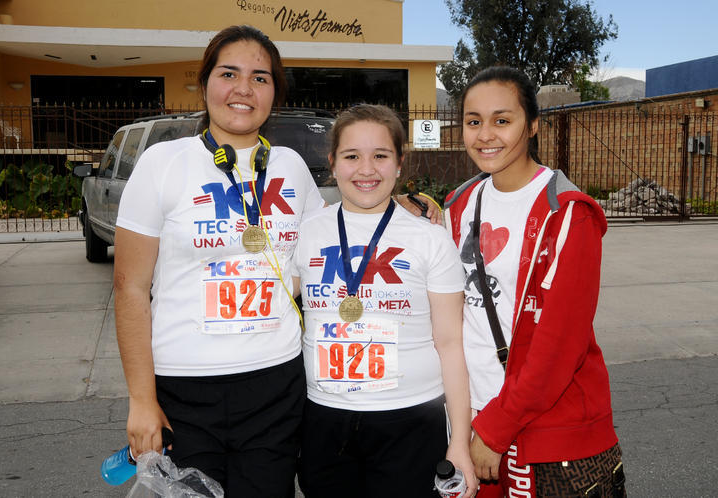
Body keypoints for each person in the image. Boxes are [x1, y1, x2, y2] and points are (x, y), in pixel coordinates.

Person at [113, 25, 325, 497]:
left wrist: (408, 208)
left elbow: (324, 254)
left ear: (275, 92)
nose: (244, 89)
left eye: (261, 77)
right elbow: (129, 288)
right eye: (229, 73)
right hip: (185, 390)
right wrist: (141, 399)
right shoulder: (162, 163)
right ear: (206, 81)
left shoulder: (291, 166)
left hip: (277, 384)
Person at [444, 67, 626, 497]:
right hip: (473, 423)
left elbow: (559, 346)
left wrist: (496, 429)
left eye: (502, 120)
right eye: (474, 121)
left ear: (534, 125)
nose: (485, 135)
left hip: (547, 432)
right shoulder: (459, 203)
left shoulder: (567, 214)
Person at [291, 104, 478, 498]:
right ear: (332, 162)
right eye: (352, 156)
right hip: (324, 417)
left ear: (399, 163)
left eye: (380, 155)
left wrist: (460, 442)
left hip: (412, 418)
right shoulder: (306, 234)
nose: (366, 169)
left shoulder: (429, 238)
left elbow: (450, 345)